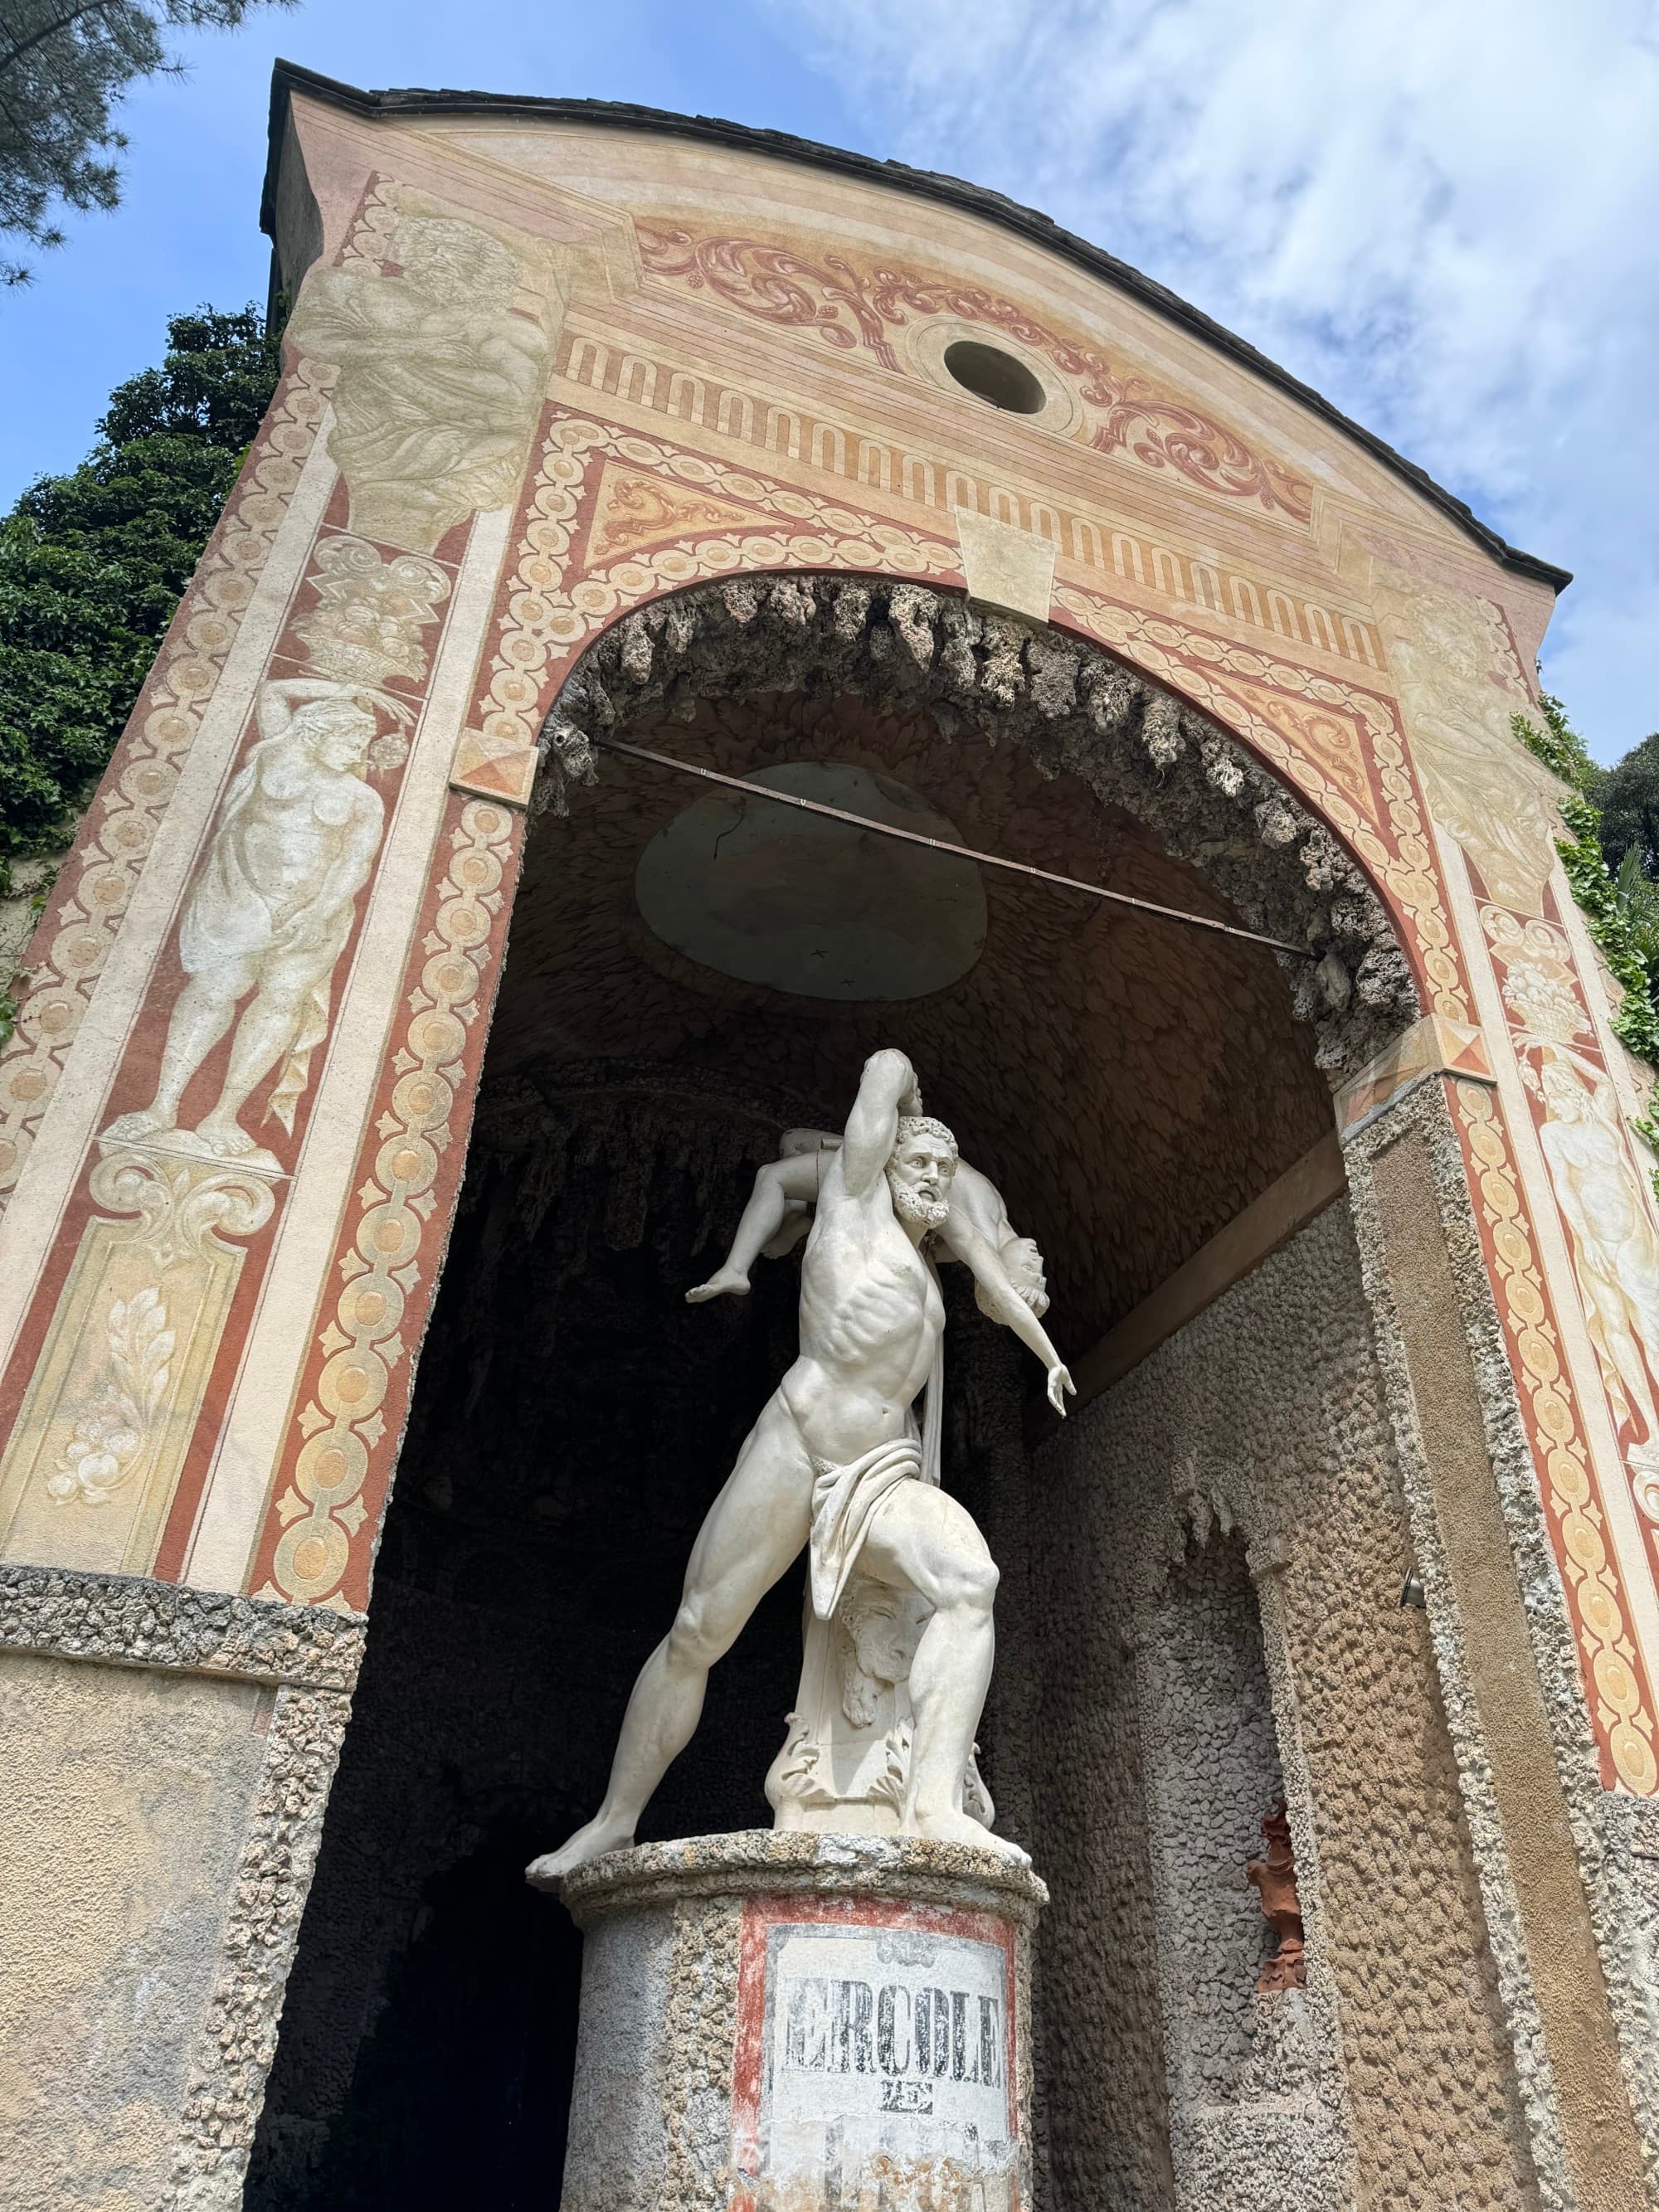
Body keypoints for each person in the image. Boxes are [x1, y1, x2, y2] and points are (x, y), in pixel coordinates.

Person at [527, 1050, 1072, 1884]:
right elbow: (882, 1072)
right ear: (879, 1161)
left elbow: (993, 1274)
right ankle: (612, 1822)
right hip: (798, 1444)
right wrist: (904, 1085)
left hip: (878, 1466)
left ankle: (932, 1806)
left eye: (941, 1167)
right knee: (698, 1630)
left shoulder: (930, 1276)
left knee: (970, 1581)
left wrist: (1046, 1355)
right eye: (916, 1162)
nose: (930, 1177)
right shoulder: (850, 1205)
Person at [104, 679, 407, 1169]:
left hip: (314, 916)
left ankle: (223, 1116)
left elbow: (355, 864)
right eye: (351, 741)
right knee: (214, 989)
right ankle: (163, 1107)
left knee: (281, 1002)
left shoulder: (361, 798)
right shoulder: (276, 760)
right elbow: (273, 690)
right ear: (316, 733)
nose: (359, 753)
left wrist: (318, 913)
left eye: (362, 744)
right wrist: (348, 688)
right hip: (242, 899)